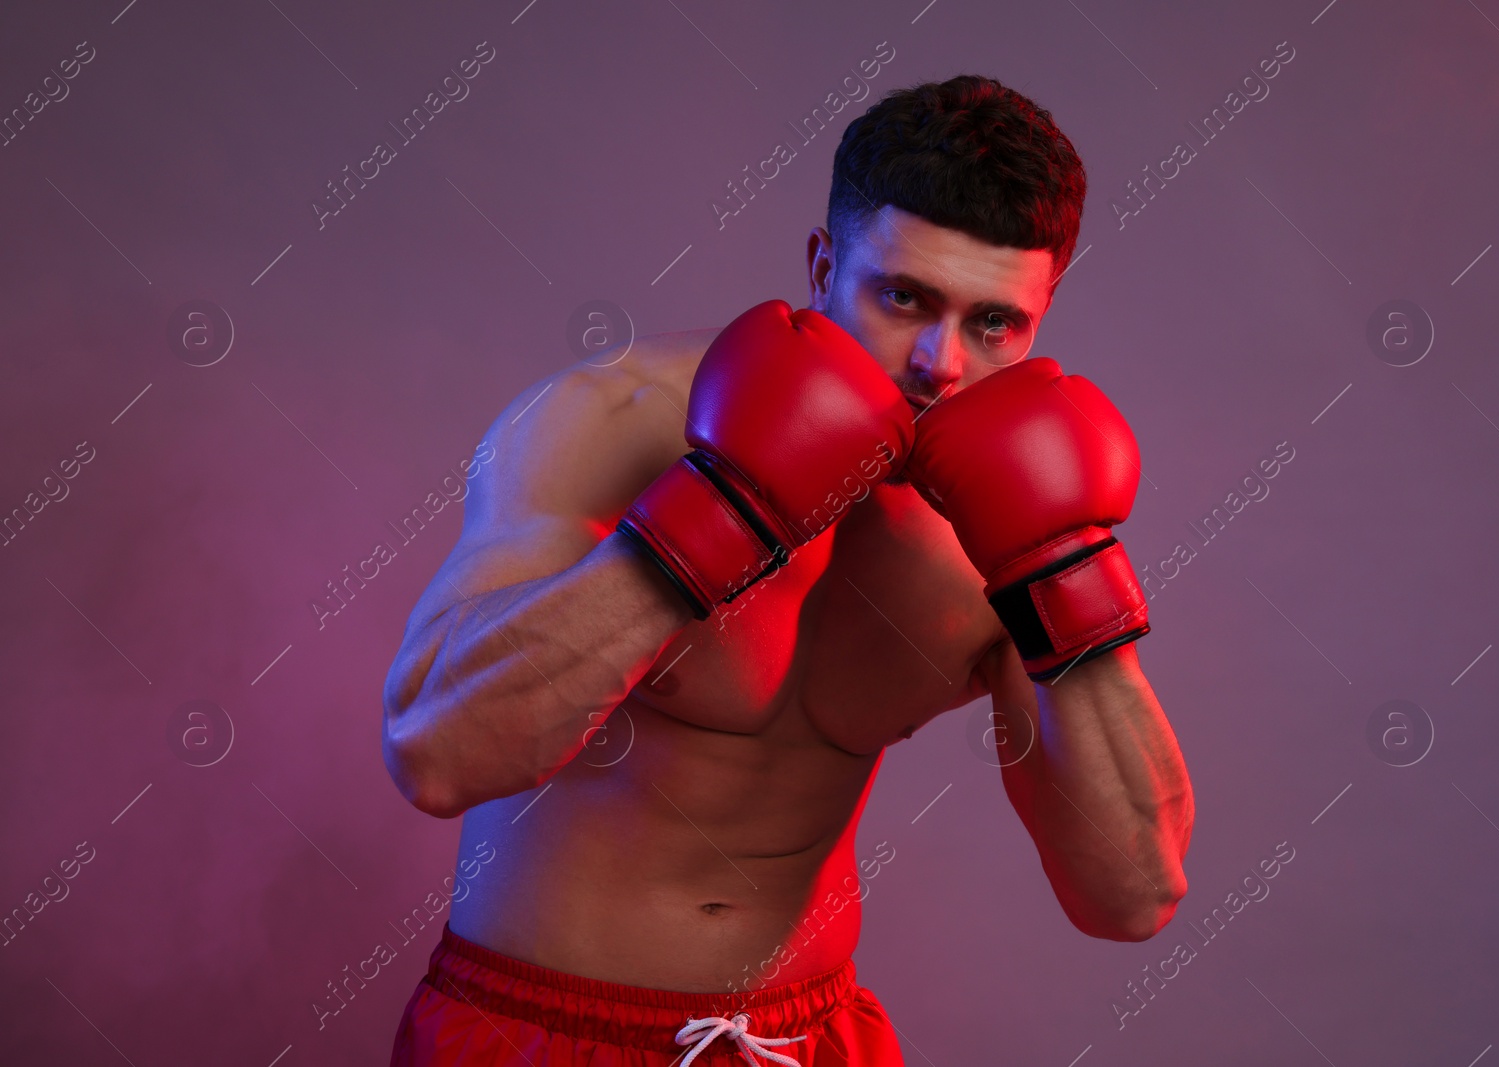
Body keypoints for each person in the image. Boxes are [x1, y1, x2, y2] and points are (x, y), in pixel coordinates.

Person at [384, 74, 1193, 1066]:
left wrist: (1060, 569)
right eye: (903, 297)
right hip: (541, 1032)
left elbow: (1131, 893)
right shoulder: (609, 420)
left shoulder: (1008, 519)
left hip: (806, 1038)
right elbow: (436, 755)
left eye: (994, 324)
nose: (938, 363)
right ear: (822, 263)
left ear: (1041, 315)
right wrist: (717, 512)